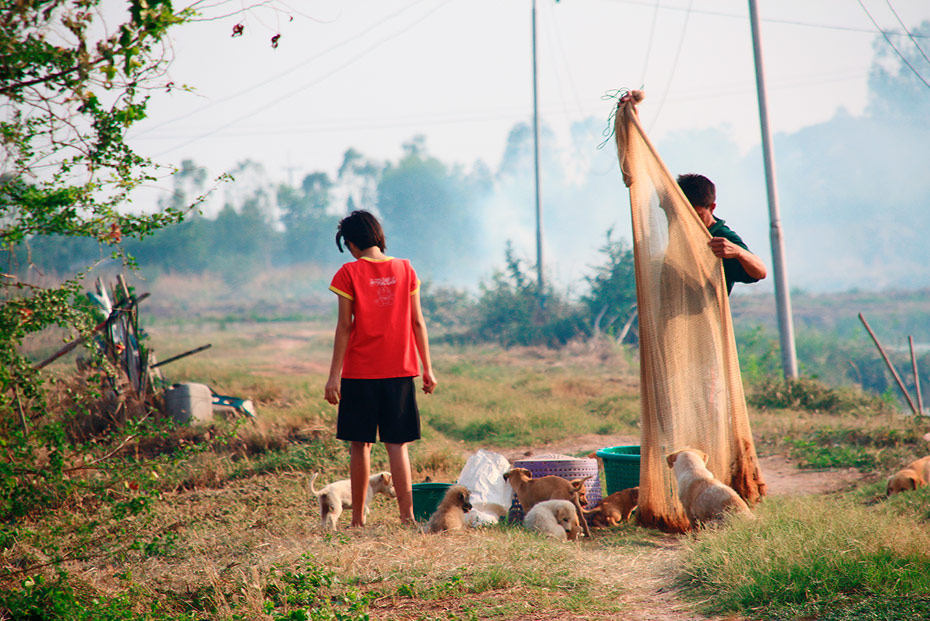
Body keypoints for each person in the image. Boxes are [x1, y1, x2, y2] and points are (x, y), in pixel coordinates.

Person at [324, 210, 437, 526]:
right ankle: (407, 517)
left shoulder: (348, 273)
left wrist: (334, 376)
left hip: (360, 373)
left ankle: (358, 520)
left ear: (350, 244)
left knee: (360, 446)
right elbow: (417, 322)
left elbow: (344, 327)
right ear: (378, 236)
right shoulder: (405, 269)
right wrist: (427, 368)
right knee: (397, 447)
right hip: (400, 371)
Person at [676, 173, 767, 294]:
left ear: (712, 207)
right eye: (685, 215)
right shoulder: (675, 229)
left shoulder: (721, 237)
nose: (690, 220)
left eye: (698, 215)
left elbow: (760, 272)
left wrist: (738, 252)